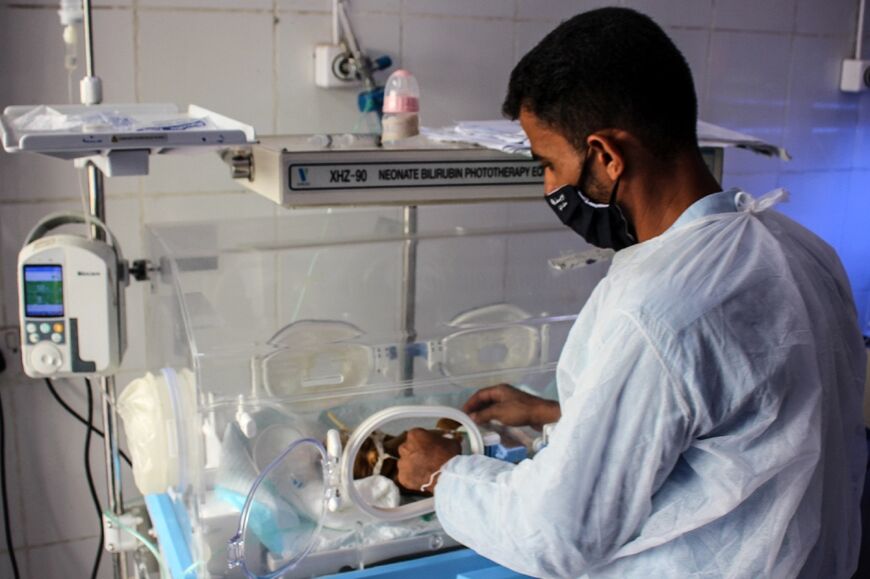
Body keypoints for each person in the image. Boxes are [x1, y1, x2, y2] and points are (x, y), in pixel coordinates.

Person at [396, 7, 867, 578]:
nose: (547, 186)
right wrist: (561, 413)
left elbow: (557, 533)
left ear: (606, 155)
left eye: (547, 164)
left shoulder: (662, 308)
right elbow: (745, 421)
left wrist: (444, 473)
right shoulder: (802, 250)